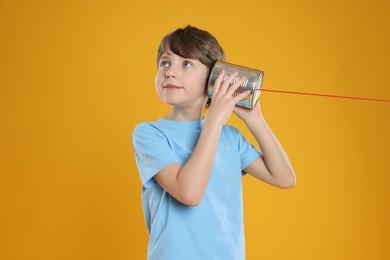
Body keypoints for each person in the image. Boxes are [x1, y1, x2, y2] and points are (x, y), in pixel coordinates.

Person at [132, 25, 296, 260]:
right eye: (165, 63)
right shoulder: (149, 134)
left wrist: (256, 120)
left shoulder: (230, 137)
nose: (169, 72)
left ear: (214, 77)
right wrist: (215, 120)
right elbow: (189, 193)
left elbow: (284, 178)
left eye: (186, 63)